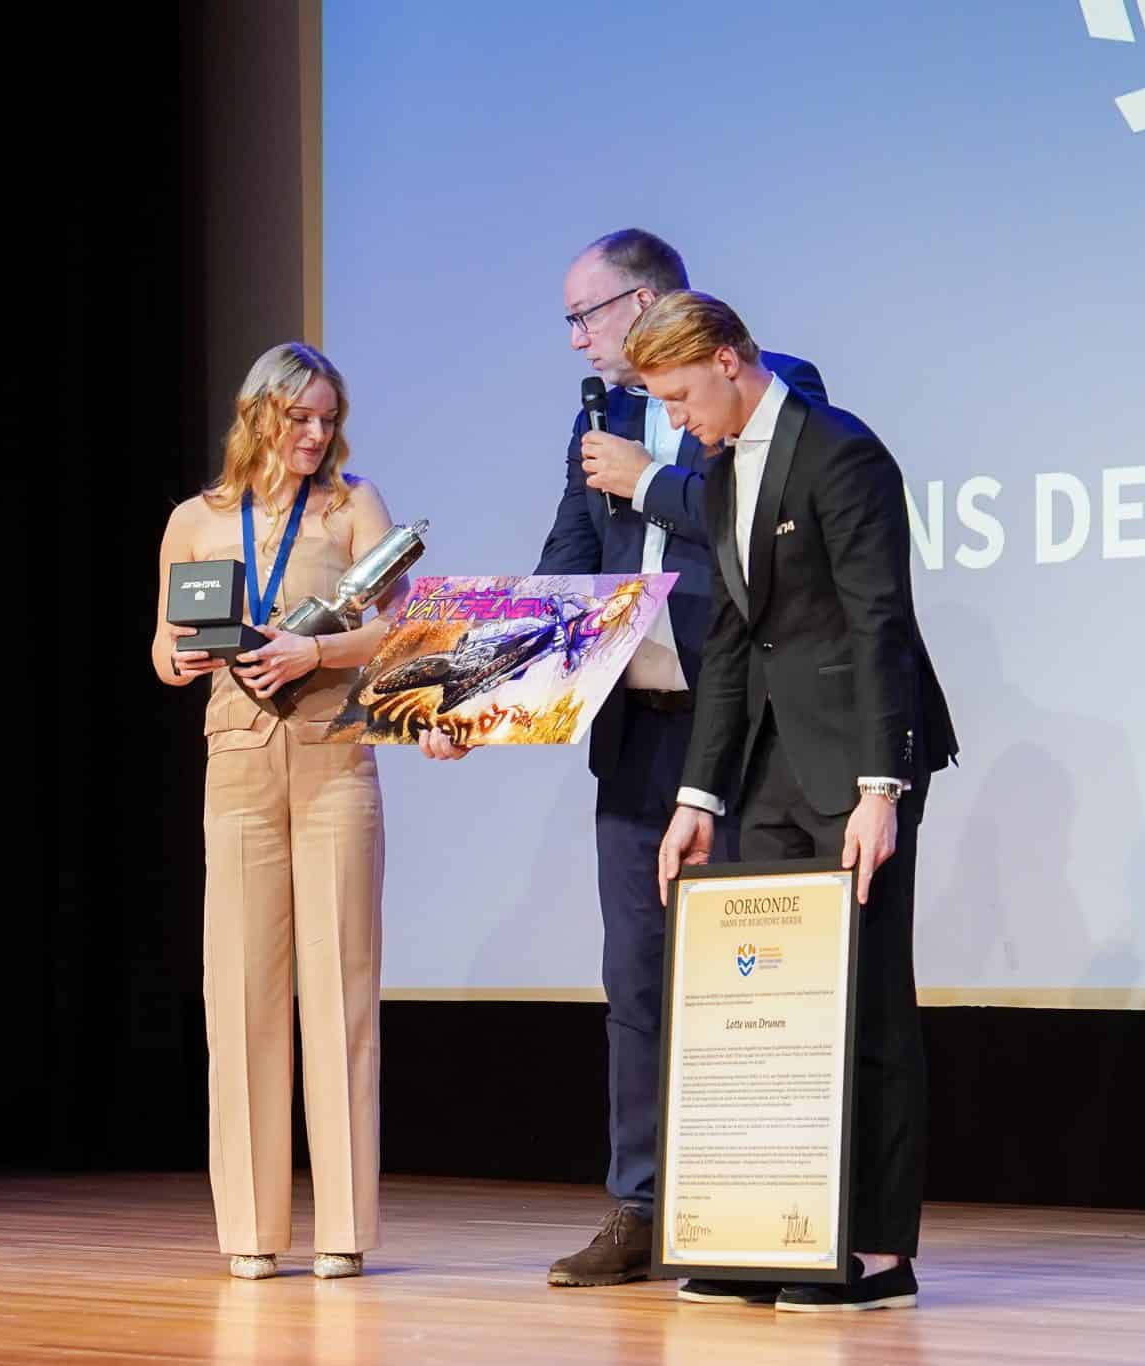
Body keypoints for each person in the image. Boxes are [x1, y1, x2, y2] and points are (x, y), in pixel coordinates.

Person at [421, 230, 825, 1287]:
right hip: (637, 733)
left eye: (583, 316)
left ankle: (747, 1209)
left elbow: (755, 535)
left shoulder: (772, 387)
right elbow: (564, 569)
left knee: (751, 976)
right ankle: (637, 1207)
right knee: (635, 981)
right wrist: (471, 698)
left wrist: (648, 481)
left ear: (643, 301)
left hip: (740, 731)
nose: (574, 342)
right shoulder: (592, 420)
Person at [641, 290, 958, 1312]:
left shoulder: (840, 454)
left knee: (864, 999)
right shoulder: (715, 465)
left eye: (681, 394)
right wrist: (697, 794)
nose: (677, 418)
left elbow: (879, 627)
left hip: (853, 768)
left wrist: (882, 787)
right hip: (767, 772)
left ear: (728, 361)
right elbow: (734, 640)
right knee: (767, 1007)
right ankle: (770, 1234)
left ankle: (872, 1248)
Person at [152, 342, 406, 1280]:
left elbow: (406, 628)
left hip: (335, 755)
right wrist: (180, 659)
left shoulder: (351, 505)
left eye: (328, 419)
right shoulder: (195, 519)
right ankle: (250, 1230)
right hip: (239, 762)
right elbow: (161, 644)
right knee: (243, 996)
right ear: (258, 414)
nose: (316, 435)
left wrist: (316, 655)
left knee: (340, 990)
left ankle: (343, 1226)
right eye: (299, 418)